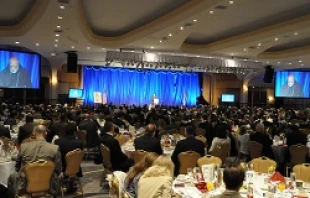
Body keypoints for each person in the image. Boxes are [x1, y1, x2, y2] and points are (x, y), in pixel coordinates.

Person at [7, 125, 62, 197]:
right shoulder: (55, 148)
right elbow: (58, 169)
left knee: (11, 177)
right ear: (46, 133)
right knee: (60, 175)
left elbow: (17, 167)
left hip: (25, 186)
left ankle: (17, 195)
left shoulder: (24, 147)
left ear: (33, 133)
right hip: (48, 184)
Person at [55, 123, 83, 193]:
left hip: (62, 168)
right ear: (74, 132)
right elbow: (80, 158)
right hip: (75, 168)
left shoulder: (58, 142)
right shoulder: (79, 143)